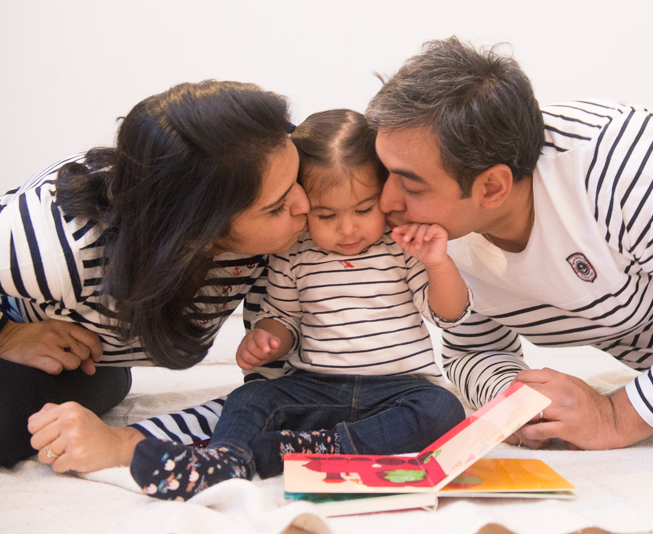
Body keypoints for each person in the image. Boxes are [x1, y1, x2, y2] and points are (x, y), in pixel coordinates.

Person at [365, 36, 653, 459]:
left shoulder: (623, 162)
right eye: (384, 173)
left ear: (492, 187)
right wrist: (517, 401)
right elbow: (471, 349)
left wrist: (617, 417)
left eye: (411, 185)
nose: (385, 203)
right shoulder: (437, 236)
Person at [128, 109, 469, 500]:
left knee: (443, 409)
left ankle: (318, 447)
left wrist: (438, 263)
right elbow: (283, 317)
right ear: (303, 205)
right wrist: (266, 338)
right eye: (326, 215)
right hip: (315, 387)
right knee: (250, 397)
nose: (347, 228)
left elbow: (449, 314)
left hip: (398, 389)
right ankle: (224, 460)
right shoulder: (293, 253)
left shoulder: (402, 247)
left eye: (363, 209)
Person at [1, 80, 311, 469]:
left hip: (95, 356)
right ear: (196, 231)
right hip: (24, 318)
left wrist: (129, 441)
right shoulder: (57, 247)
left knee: (90, 388)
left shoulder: (286, 238)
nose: (306, 205)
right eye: (277, 206)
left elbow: (278, 399)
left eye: (298, 178)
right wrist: (8, 335)